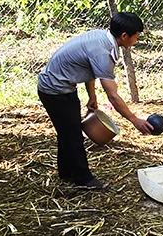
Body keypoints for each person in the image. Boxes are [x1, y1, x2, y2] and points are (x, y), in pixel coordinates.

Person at [38, 12, 154, 190]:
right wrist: (134, 119)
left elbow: (88, 68)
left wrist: (92, 96)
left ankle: (66, 172)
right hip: (55, 89)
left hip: (62, 87)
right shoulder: (102, 52)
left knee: (68, 130)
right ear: (124, 36)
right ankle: (84, 179)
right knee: (73, 134)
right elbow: (113, 96)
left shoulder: (102, 38)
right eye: (136, 37)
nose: (136, 41)